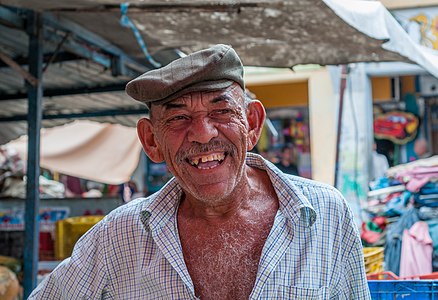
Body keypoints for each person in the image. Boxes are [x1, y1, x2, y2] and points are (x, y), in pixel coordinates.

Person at [29, 44, 370, 299]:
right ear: (152, 140)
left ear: (251, 124)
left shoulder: (324, 214)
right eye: (178, 118)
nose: (203, 133)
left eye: (221, 110)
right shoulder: (119, 237)